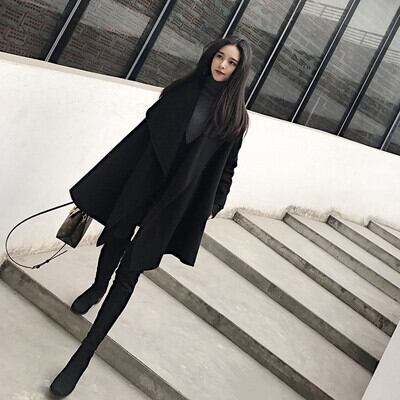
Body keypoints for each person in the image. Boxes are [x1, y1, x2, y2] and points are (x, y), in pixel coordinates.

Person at [49, 35, 252, 397]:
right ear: (210, 56)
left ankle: (83, 356)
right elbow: (141, 138)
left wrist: (212, 206)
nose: (222, 65)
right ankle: (97, 287)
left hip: (175, 202)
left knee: (130, 273)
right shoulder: (179, 91)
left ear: (239, 70)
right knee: (114, 241)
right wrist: (108, 179)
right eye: (219, 56)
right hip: (142, 182)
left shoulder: (234, 119)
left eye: (231, 62)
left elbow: (227, 170)